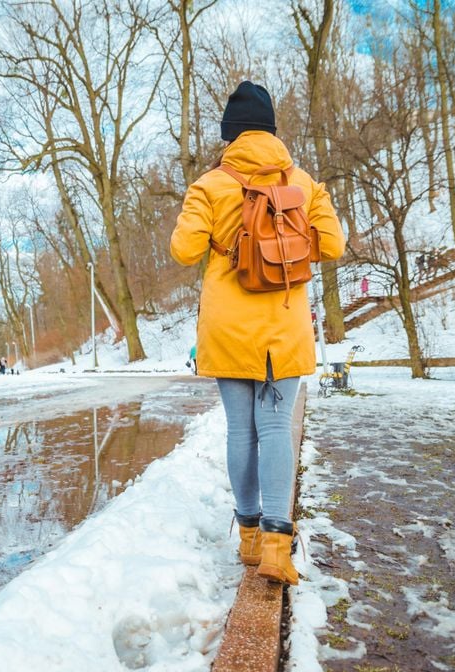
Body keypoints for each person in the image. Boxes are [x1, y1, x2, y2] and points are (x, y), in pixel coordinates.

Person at [169, 80, 346, 585]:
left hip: (227, 326)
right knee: (275, 429)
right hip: (284, 323)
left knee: (240, 431)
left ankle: (247, 540)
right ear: (272, 130)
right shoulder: (304, 182)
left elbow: (184, 251)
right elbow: (332, 245)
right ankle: (277, 547)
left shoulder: (209, 184)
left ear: (230, 134)